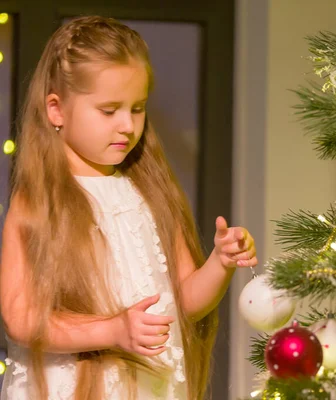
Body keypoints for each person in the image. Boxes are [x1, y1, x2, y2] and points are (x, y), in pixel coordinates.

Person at [0, 16, 257, 399]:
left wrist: (219, 263)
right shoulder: (37, 203)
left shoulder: (151, 194)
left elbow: (182, 303)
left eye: (137, 108)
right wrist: (113, 330)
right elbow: (20, 319)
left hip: (149, 386)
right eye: (109, 110)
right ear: (56, 109)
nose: (127, 125)